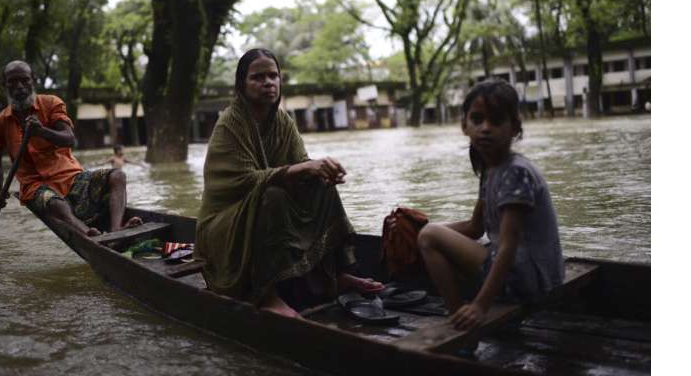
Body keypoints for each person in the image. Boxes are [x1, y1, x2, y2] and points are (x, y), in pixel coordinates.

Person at [194, 48, 383, 318]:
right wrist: (302, 168)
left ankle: (338, 275)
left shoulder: (283, 121)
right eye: (258, 77)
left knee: (322, 185)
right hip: (225, 222)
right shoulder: (229, 125)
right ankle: (267, 295)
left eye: (273, 75)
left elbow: (302, 164)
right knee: (273, 196)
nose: (268, 82)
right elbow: (244, 181)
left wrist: (322, 170)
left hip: (265, 203)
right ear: (242, 85)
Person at [415, 79, 564, 331]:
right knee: (428, 233)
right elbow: (475, 228)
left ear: (515, 127)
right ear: (465, 125)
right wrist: (418, 229)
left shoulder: (515, 172)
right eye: (477, 119)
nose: (485, 128)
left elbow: (508, 244)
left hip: (528, 281)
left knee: (429, 237)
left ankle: (459, 320)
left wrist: (480, 306)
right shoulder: (491, 170)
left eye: (496, 121)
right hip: (528, 272)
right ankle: (464, 310)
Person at [0, 60, 142, 237]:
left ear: (33, 80)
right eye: (12, 82)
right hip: (35, 185)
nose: (19, 87)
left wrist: (41, 131)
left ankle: (116, 230)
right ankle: (88, 234)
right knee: (55, 203)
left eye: (24, 80)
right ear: (4, 85)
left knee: (118, 176)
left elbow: (69, 140)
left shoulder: (51, 104)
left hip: (70, 176)